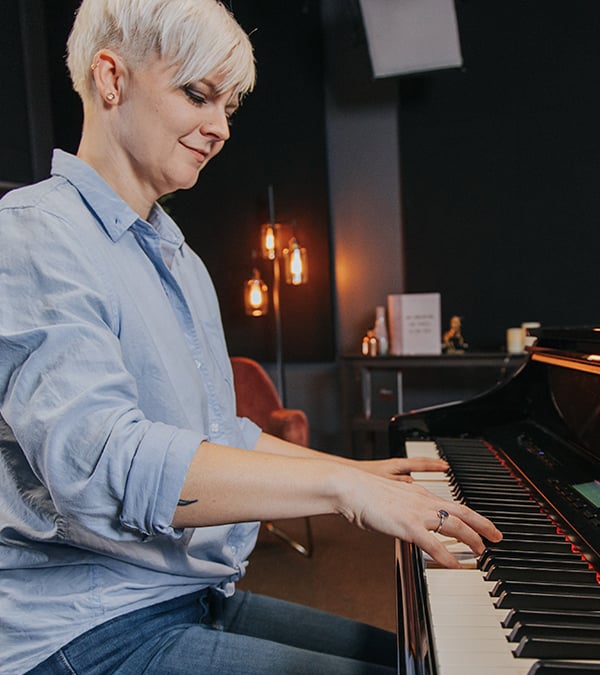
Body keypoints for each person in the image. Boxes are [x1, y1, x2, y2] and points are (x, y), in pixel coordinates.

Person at [0, 1, 502, 673]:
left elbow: (218, 431)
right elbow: (104, 469)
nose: (219, 128)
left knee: (423, 662)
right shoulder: (33, 233)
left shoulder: (178, 257)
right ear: (112, 79)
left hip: (187, 589)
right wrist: (343, 492)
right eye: (198, 94)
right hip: (86, 625)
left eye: (229, 106)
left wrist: (357, 471)